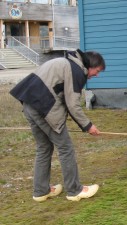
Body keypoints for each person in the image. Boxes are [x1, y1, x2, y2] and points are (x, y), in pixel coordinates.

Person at [10, 49, 106, 202]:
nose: (97, 74)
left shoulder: (66, 63)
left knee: (44, 147)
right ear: (91, 65)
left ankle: (41, 191)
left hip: (29, 104)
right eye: (97, 70)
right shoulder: (76, 71)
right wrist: (88, 126)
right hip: (43, 108)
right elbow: (72, 104)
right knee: (65, 148)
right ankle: (75, 190)